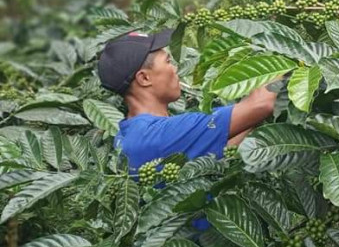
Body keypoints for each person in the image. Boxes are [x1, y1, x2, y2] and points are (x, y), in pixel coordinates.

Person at [97, 29, 278, 171]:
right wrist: (294, 60)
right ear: (144, 78)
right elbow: (262, 103)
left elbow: (219, 148)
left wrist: (249, 118)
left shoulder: (129, 134)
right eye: (168, 61)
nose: (175, 69)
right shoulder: (160, 135)